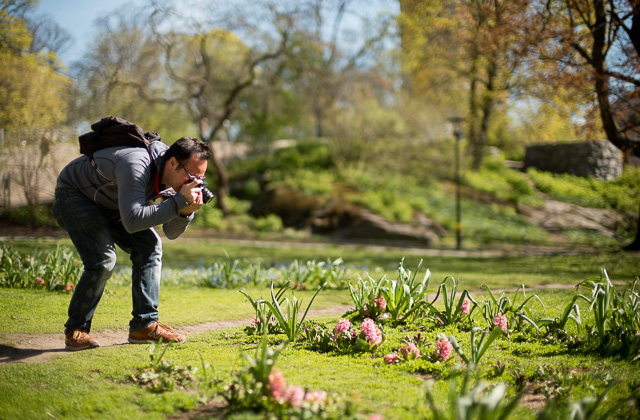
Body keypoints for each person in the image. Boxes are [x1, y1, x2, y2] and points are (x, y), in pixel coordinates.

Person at [53, 135, 211, 351]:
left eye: (201, 178)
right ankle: (76, 329)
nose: (196, 183)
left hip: (113, 202)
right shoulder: (136, 163)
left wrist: (184, 212)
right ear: (173, 162)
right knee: (103, 260)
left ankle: (143, 326)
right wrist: (178, 201)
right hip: (76, 194)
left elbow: (171, 232)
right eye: (193, 175)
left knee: (150, 246)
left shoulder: (168, 175)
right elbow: (133, 220)